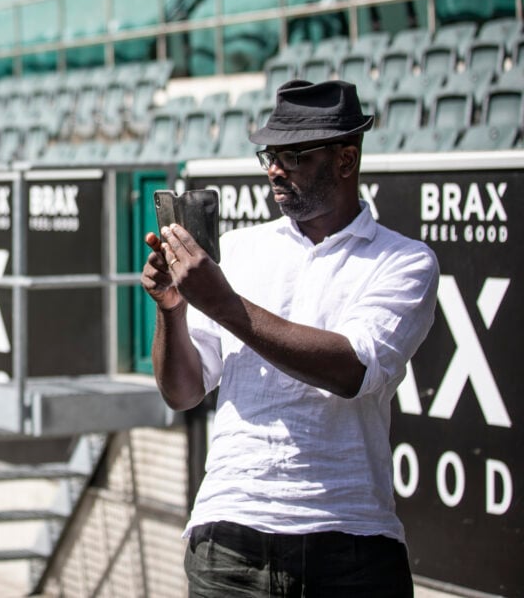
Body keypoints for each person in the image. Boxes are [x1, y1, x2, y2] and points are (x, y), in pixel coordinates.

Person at [142, 79, 439, 597]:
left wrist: (222, 304)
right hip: (227, 539)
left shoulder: (405, 260)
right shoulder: (237, 249)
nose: (276, 169)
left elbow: (352, 370)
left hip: (349, 543)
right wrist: (172, 311)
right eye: (270, 155)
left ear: (346, 161)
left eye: (294, 155)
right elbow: (183, 391)